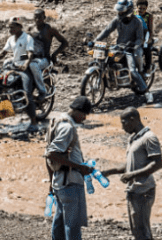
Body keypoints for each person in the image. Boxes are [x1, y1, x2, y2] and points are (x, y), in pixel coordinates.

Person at [102, 108, 162, 240]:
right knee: (138, 231)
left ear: (132, 120)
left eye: (124, 123)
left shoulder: (149, 138)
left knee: (142, 232)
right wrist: (110, 172)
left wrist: (132, 175)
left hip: (143, 191)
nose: (122, 127)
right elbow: (131, 165)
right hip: (134, 191)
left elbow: (157, 164)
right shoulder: (133, 139)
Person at [45, 96, 95, 240]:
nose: (84, 118)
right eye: (84, 114)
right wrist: (80, 167)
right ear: (78, 111)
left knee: (59, 224)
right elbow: (52, 154)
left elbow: (47, 154)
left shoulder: (55, 121)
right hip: (70, 183)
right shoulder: (67, 128)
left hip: (59, 183)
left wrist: (51, 182)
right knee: (72, 227)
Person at [0, 18, 44, 133]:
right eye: (9, 27)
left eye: (12, 27)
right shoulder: (10, 39)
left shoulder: (27, 38)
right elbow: (3, 53)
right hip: (13, 66)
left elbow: (30, 53)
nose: (10, 29)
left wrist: (25, 64)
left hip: (25, 69)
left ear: (19, 27)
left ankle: (34, 122)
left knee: (27, 93)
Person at [95, 0, 152, 104]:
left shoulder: (137, 21)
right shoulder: (117, 19)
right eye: (119, 10)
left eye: (122, 10)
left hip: (132, 48)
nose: (119, 12)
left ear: (129, 10)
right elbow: (106, 30)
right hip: (119, 47)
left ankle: (147, 93)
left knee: (133, 72)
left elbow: (140, 38)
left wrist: (134, 45)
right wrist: (96, 40)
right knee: (105, 60)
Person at [134, 0, 154, 68]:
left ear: (146, 8)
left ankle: (148, 67)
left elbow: (150, 29)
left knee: (147, 49)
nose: (141, 10)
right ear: (136, 7)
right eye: (140, 8)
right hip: (135, 36)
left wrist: (149, 39)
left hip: (145, 36)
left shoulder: (149, 16)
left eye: (144, 8)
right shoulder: (132, 15)